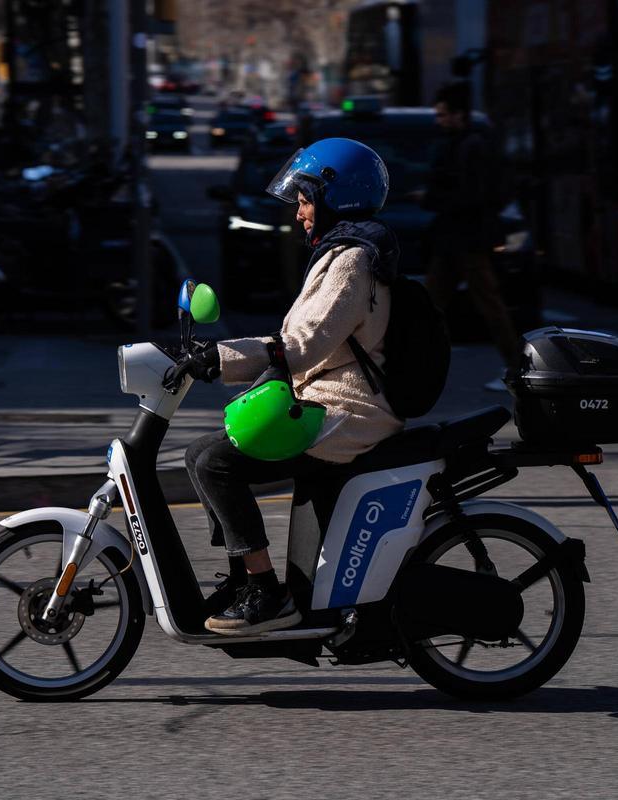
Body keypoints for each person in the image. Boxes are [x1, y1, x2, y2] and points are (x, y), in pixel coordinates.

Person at [181, 138, 403, 635]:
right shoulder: (342, 250)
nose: (300, 213)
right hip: (323, 400)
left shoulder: (353, 260)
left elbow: (302, 345)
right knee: (199, 452)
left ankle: (266, 592)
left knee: (218, 461)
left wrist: (218, 358)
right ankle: (246, 578)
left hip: (349, 412)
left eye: (305, 200)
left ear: (334, 197)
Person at [420, 81, 523, 391]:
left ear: (460, 115)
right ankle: (415, 365)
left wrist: (430, 198)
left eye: (443, 115)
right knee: (432, 305)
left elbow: (470, 195)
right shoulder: (461, 143)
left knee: (487, 306)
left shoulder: (470, 146)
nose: (438, 120)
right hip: (457, 239)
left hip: (467, 239)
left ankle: (518, 368)